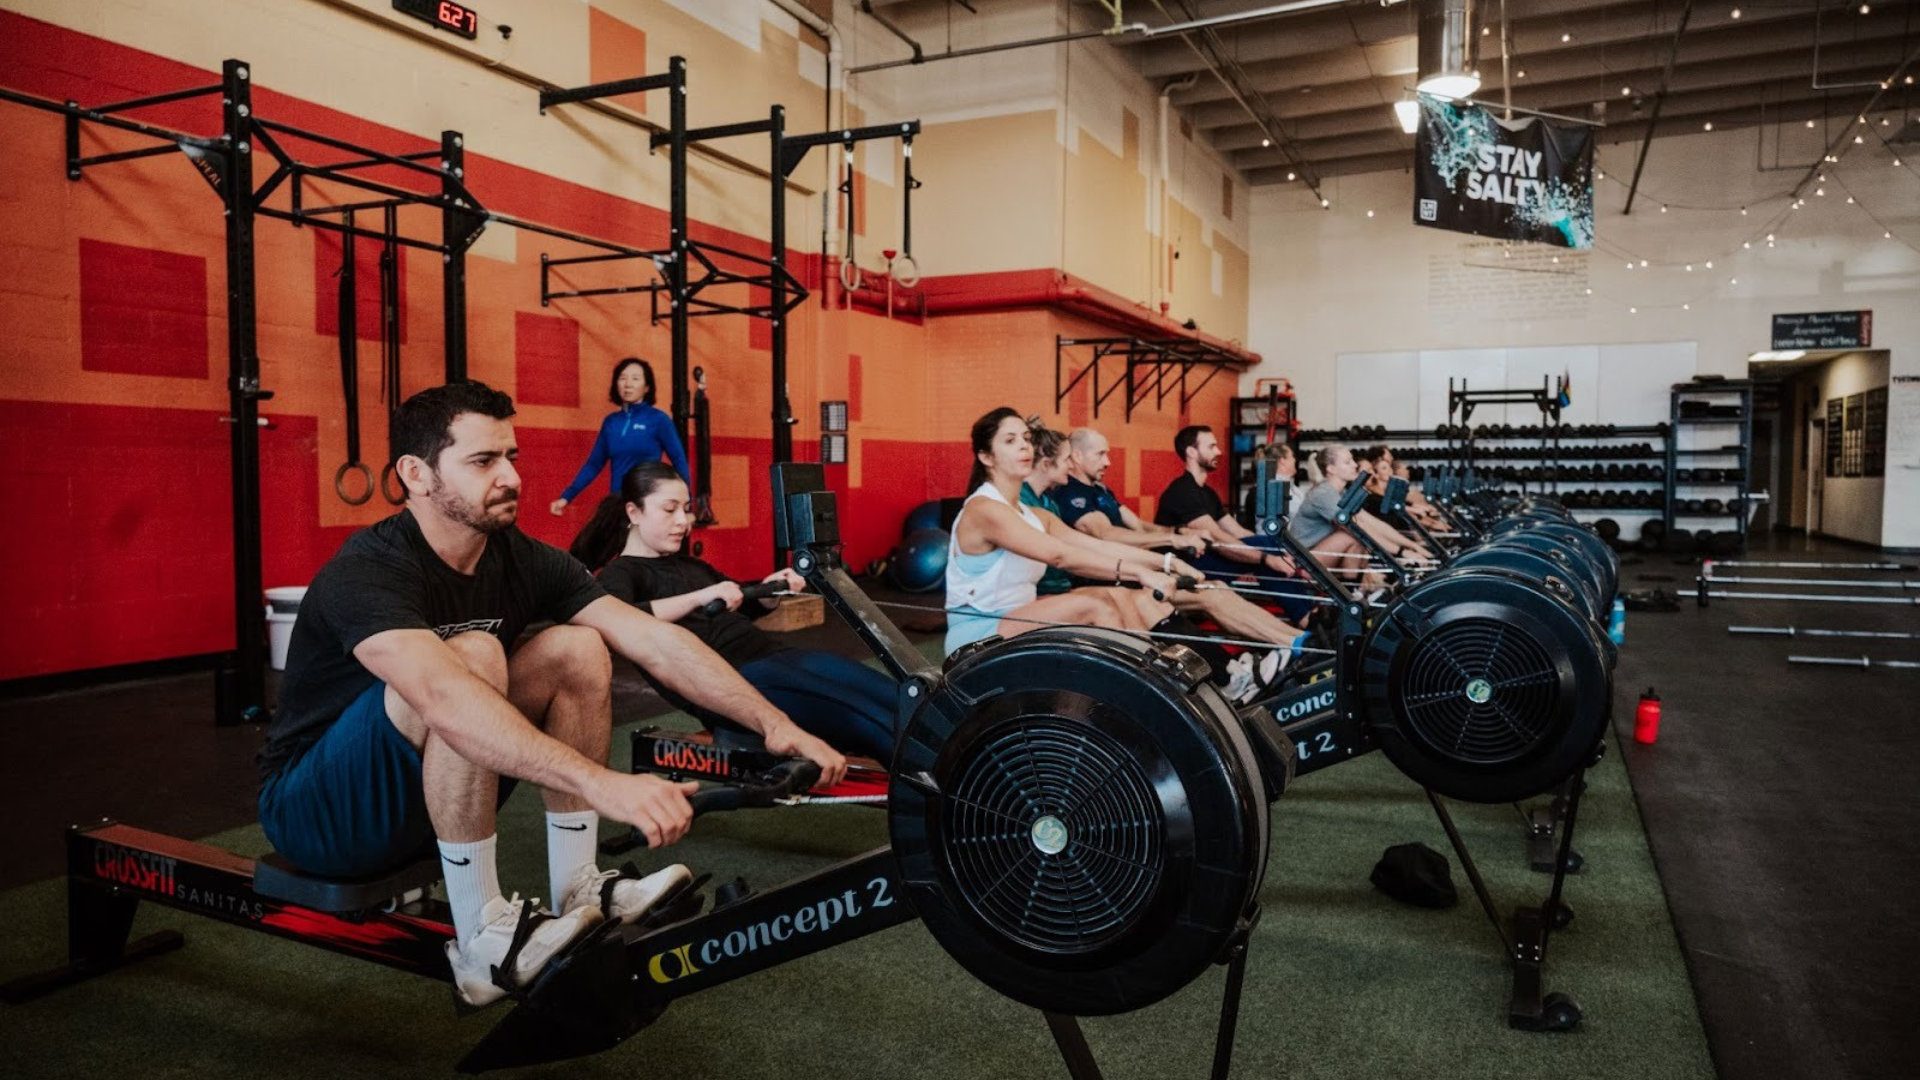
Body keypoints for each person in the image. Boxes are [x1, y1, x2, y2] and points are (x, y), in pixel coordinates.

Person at [258, 381, 844, 1010]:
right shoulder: (369, 568)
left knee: (577, 647)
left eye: (511, 456)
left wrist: (774, 723)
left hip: (422, 798)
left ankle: (580, 887)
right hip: (318, 816)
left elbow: (653, 639)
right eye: (483, 462)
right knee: (474, 655)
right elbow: (441, 695)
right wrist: (600, 781)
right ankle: (481, 938)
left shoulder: (520, 559)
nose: (510, 476)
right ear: (416, 475)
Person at [570, 462, 898, 761]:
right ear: (634, 512)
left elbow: (744, 601)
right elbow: (619, 620)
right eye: (669, 510)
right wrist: (701, 597)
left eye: (685, 509)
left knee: (899, 698)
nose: (683, 521)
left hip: (775, 656)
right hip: (732, 685)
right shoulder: (622, 573)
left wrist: (772, 590)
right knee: (871, 721)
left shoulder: (690, 565)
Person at [945, 407, 1189, 657]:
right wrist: (1140, 572)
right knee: (1095, 606)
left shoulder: (1034, 514)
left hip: (1019, 615)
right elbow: (1061, 556)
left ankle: (1154, 669)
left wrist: (1168, 562)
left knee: (1113, 594)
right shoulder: (984, 509)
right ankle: (1142, 682)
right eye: (1010, 440)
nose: (1024, 446)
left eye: (1027, 438)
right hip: (979, 633)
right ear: (986, 457)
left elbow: (1094, 546)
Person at [1048, 426, 1308, 650]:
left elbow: (1138, 526)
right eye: (1101, 454)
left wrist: (1180, 533)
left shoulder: (1101, 489)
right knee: (1214, 593)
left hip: (1146, 567)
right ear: (1077, 456)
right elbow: (1106, 534)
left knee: (1219, 588)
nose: (1108, 462)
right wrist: (1173, 539)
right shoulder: (1070, 493)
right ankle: (1296, 640)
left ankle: (1299, 640)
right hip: (1115, 579)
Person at [1152, 425, 1317, 624]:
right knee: (1266, 550)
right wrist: (1264, 557)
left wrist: (1274, 549)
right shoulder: (1183, 491)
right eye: (1212, 446)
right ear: (1191, 452)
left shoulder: (1207, 492)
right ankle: (1305, 618)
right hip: (1184, 567)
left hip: (1205, 557)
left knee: (1269, 543)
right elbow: (1217, 538)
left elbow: (1237, 531)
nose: (1219, 451)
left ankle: (1311, 613)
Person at [549, 358, 690, 516]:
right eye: (623, 378)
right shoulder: (611, 422)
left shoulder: (659, 420)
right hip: (618, 503)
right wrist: (566, 497)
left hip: (648, 505)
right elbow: (593, 465)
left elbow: (679, 460)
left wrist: (686, 505)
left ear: (647, 387)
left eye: (635, 378)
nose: (628, 383)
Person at [1289, 445, 1428, 582]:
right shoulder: (1323, 494)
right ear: (1331, 469)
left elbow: (1373, 522)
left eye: (1353, 460)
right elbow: (1359, 528)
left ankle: (1357, 590)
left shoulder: (1341, 493)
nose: (1355, 465)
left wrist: (1413, 546)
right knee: (1352, 535)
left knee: (1358, 535)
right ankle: (1354, 591)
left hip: (1321, 555)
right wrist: (1402, 552)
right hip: (1301, 563)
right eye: (1348, 462)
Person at [1017, 421, 1077, 597]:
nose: (1072, 466)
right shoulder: (1019, 500)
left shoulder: (1050, 504)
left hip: (1060, 589)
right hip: (1038, 593)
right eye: (1067, 460)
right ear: (1045, 464)